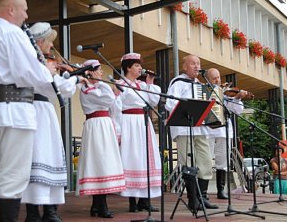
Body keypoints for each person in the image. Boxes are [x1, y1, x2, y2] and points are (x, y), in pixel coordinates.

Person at [0, 0, 57, 221]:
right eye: (24, 9)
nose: (26, 14)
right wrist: (47, 72)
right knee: (15, 178)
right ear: (11, 9)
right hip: (14, 110)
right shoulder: (11, 32)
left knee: (8, 176)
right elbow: (28, 72)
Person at [21, 22, 88, 222]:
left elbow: (56, 85)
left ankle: (49, 211)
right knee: (38, 158)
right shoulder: (33, 63)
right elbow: (54, 87)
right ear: (40, 42)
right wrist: (75, 80)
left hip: (43, 113)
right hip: (36, 113)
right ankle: (34, 213)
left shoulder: (39, 63)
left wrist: (68, 76)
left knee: (49, 158)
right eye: (49, 43)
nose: (51, 47)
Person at [165, 55, 218, 209]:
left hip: (200, 129)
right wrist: (188, 108)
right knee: (188, 165)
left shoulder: (201, 85)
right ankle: (192, 200)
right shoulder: (178, 82)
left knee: (206, 162)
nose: (197, 66)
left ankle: (202, 197)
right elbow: (170, 103)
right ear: (185, 67)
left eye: (198, 63)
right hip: (184, 129)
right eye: (193, 64)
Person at [76, 59, 126, 218]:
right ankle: (100, 205)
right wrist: (107, 87)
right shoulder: (86, 89)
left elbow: (114, 105)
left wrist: (115, 92)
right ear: (89, 72)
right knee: (99, 163)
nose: (102, 73)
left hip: (104, 126)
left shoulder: (94, 88)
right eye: (98, 70)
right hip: (95, 127)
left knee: (104, 162)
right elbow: (108, 99)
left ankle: (97, 205)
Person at [116, 52, 161, 212]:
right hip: (129, 122)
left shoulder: (141, 86)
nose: (140, 68)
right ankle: (132, 201)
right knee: (132, 158)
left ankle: (144, 200)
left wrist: (149, 83)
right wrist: (119, 130)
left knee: (145, 159)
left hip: (143, 122)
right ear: (128, 67)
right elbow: (116, 107)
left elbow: (153, 100)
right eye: (137, 65)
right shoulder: (120, 84)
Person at [206, 68, 245, 199]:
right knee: (205, 161)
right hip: (208, 131)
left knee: (222, 162)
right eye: (214, 78)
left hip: (223, 131)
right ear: (207, 79)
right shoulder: (203, 92)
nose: (217, 80)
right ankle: (203, 191)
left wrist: (238, 98)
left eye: (218, 77)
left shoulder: (226, 94)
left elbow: (238, 110)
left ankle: (220, 190)